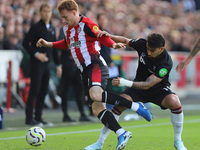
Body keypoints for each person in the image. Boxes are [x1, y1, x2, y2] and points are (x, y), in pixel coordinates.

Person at [36, 0, 151, 149]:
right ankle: (120, 133)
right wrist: (49, 44)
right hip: (84, 70)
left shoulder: (87, 23)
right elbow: (68, 43)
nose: (64, 20)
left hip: (95, 64)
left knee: (96, 95)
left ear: (74, 12)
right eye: (62, 18)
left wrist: (112, 44)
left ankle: (136, 106)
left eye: (66, 17)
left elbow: (101, 35)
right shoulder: (67, 28)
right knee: (97, 109)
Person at [85, 32, 187, 150]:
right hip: (138, 86)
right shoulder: (142, 44)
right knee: (119, 105)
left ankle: (178, 141)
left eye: (152, 50)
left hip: (157, 88)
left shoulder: (166, 62)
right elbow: (124, 40)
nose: (148, 52)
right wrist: (108, 36)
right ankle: (99, 143)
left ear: (161, 49)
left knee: (174, 101)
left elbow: (149, 84)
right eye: (148, 49)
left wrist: (125, 82)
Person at [22, 3, 62, 126]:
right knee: (34, 90)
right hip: (36, 64)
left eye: (48, 11)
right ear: (40, 12)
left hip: (47, 65)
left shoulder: (53, 28)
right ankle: (29, 118)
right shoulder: (35, 27)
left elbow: (54, 47)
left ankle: (38, 117)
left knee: (43, 91)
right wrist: (36, 54)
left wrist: (58, 64)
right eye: (44, 11)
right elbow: (25, 43)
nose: (47, 13)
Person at [58, 28, 91, 122]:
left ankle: (82, 113)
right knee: (66, 89)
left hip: (77, 63)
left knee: (79, 89)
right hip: (68, 63)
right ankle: (65, 114)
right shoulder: (64, 30)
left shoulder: (78, 29)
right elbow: (63, 44)